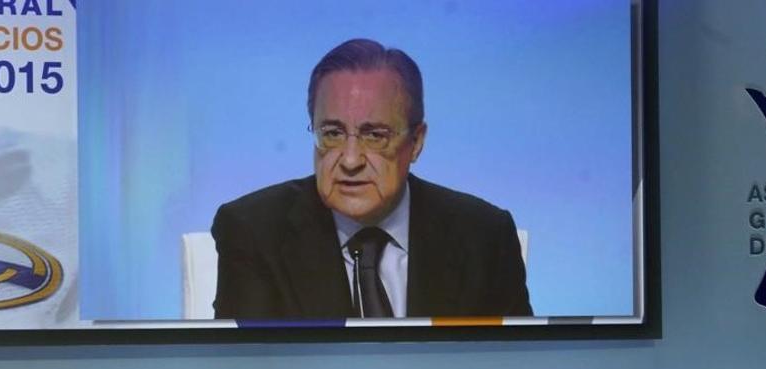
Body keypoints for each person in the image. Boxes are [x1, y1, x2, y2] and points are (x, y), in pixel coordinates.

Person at [211, 38, 531, 320]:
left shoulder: (484, 238)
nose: (350, 160)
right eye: (332, 134)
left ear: (416, 142)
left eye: (375, 135)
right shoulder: (253, 232)